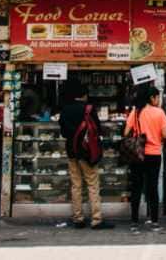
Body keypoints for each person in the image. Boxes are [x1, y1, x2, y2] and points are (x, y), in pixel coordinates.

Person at [59, 79, 112, 229]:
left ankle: (78, 218)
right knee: (92, 184)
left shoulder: (65, 109)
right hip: (87, 152)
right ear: (83, 95)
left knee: (76, 185)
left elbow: (63, 132)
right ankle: (96, 219)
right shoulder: (88, 109)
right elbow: (97, 130)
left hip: (72, 151)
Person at [124, 85, 166, 229]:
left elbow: (126, 132)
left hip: (138, 154)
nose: (158, 100)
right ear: (152, 98)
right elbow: (165, 134)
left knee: (136, 187)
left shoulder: (135, 112)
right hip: (154, 154)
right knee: (152, 187)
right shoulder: (159, 112)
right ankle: (154, 221)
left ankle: (134, 222)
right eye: (157, 97)